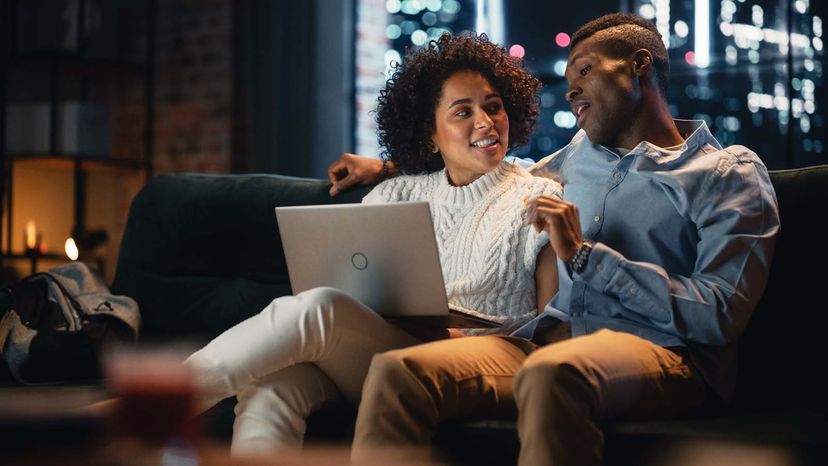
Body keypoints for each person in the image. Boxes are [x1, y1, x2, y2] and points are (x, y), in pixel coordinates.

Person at [335, 13, 781, 466]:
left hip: (665, 356)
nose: (570, 90)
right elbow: (493, 169)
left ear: (638, 64)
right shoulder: (573, 158)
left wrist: (588, 258)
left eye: (585, 70)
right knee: (398, 372)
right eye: (568, 78)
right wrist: (391, 167)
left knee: (553, 374)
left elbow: (721, 314)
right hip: (542, 342)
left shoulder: (727, 173)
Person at [183, 33, 563, 456]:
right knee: (274, 384)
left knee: (318, 309)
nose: (486, 122)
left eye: (493, 106)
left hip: (466, 361)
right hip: (384, 347)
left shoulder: (537, 198)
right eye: (463, 111)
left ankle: (156, 402)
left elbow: (549, 332)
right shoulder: (394, 193)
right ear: (430, 134)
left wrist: (459, 334)